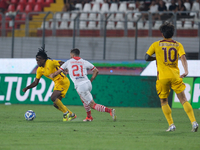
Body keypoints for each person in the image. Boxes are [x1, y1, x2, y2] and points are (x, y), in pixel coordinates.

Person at [145, 22, 198, 132]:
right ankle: (194, 122)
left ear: (162, 34)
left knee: (164, 101)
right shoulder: (178, 45)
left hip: (162, 78)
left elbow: (146, 57)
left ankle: (171, 125)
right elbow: (183, 57)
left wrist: (156, 59)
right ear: (172, 34)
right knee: (183, 99)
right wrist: (186, 70)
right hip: (175, 76)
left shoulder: (156, 44)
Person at [49, 48, 116, 122]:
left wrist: (52, 75)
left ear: (72, 55)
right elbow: (96, 71)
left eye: (70, 55)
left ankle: (109, 110)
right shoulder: (84, 62)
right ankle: (89, 117)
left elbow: (57, 72)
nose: (70, 56)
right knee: (83, 100)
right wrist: (91, 80)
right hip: (88, 83)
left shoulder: (68, 62)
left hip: (80, 86)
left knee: (92, 104)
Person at [22, 46, 76, 122]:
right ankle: (71, 114)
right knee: (56, 104)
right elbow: (35, 82)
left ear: (44, 60)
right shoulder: (39, 69)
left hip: (63, 81)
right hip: (57, 83)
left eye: (39, 60)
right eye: (36, 60)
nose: (37, 62)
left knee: (53, 97)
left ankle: (66, 113)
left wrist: (66, 69)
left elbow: (62, 63)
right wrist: (27, 88)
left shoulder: (50, 62)